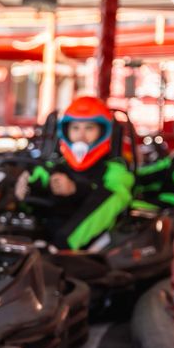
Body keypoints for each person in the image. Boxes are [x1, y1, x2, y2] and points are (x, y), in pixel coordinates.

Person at [15, 96, 134, 250]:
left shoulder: (116, 172)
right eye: (75, 128)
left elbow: (105, 205)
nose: (81, 135)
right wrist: (23, 185)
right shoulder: (55, 167)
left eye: (89, 128)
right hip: (45, 241)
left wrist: (76, 189)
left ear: (103, 132)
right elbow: (36, 178)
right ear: (66, 131)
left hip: (84, 250)